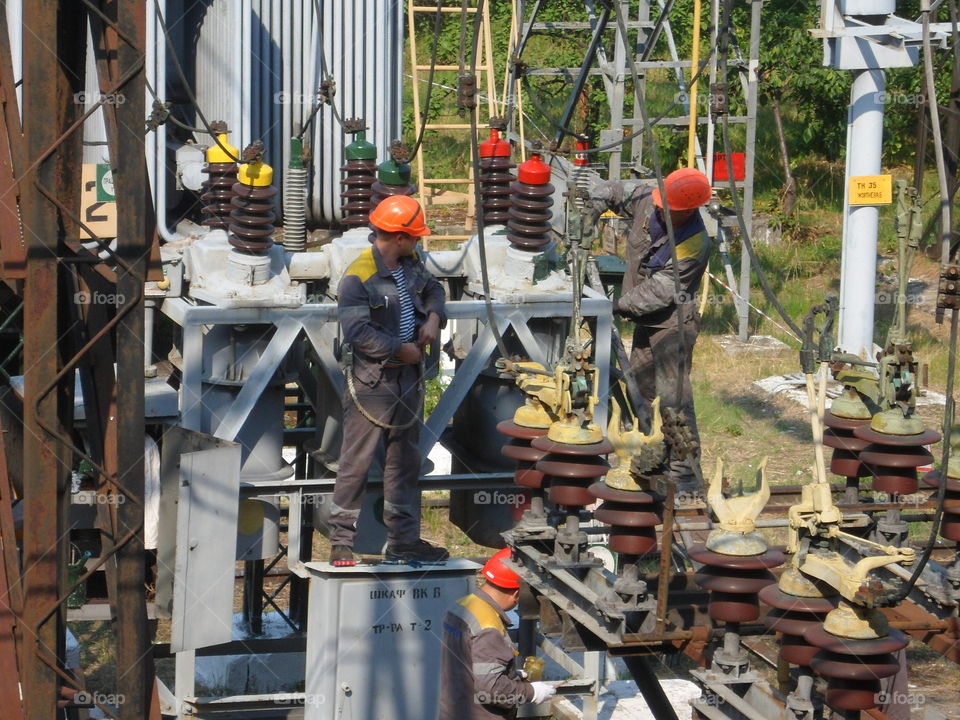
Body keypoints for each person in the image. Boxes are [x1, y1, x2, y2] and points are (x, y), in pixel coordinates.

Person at [329, 195, 449, 566]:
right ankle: (341, 541)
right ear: (398, 236)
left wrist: (432, 317)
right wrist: (401, 350)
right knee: (356, 462)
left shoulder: (410, 266)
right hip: (373, 383)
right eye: (414, 237)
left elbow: (435, 290)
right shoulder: (358, 276)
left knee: (404, 462)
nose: (418, 242)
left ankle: (403, 540)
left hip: (407, 381)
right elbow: (357, 332)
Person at [590, 168, 713, 494]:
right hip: (646, 321)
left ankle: (684, 475)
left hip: (672, 325)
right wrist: (590, 210)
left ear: (687, 209)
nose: (659, 208)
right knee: (642, 392)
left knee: (673, 400)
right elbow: (612, 189)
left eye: (667, 207)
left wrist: (615, 307)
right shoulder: (650, 197)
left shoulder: (694, 243)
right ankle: (653, 460)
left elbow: (661, 291)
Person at [438, 548, 557, 719]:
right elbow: (491, 689)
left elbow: (469, 663)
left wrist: (510, 674)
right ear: (517, 593)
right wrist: (532, 692)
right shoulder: (489, 627)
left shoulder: (460, 606)